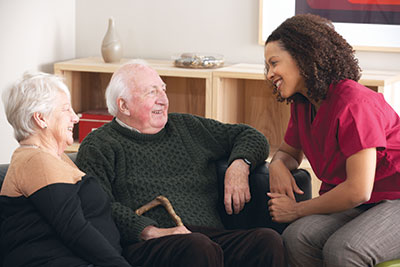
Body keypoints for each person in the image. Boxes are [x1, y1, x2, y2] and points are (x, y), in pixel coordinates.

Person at [75, 60, 286, 267]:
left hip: (208, 237)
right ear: (124, 105)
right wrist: (148, 231)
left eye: (163, 90)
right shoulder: (99, 145)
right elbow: (97, 205)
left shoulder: (186, 127)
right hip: (148, 242)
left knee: (267, 241)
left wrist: (240, 164)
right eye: (152, 92)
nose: (164, 100)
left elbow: (252, 135)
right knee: (197, 246)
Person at [265, 14, 400, 266]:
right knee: (297, 237)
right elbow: (288, 152)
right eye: (267, 66)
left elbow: (358, 190)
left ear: (303, 58)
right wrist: (277, 165)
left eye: (274, 63)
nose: (270, 73)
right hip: (365, 202)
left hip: (394, 198)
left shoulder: (354, 104)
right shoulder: (303, 104)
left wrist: (295, 210)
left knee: (344, 249)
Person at [0, 72, 132, 267]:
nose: (75, 118)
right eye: (66, 109)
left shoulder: (54, 158)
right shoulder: (36, 160)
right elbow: (73, 229)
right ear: (41, 119)